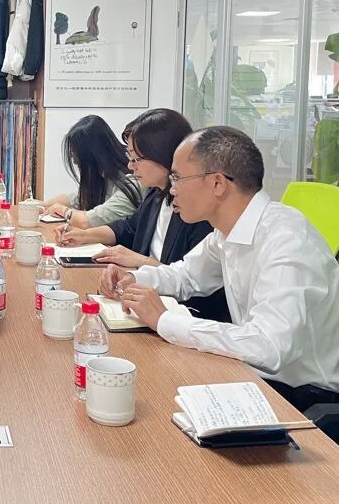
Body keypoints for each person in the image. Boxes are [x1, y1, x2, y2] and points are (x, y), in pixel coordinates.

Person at [102, 126, 339, 412]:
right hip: (256, 377)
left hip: (305, 398)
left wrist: (165, 320)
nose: (172, 189)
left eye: (178, 178)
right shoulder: (227, 232)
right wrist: (134, 278)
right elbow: (186, 276)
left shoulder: (287, 240)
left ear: (217, 183)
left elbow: (268, 347)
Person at [56, 109, 229, 321]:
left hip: (182, 315)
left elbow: (192, 283)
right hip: (149, 304)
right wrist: (84, 235)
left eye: (136, 159)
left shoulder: (197, 212)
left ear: (164, 156)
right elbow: (128, 227)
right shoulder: (156, 196)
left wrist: (139, 262)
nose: (130, 166)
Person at [37, 115, 144, 228]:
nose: (77, 166)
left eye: (78, 161)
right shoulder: (104, 175)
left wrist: (64, 211)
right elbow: (78, 198)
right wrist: (41, 205)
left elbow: (91, 220)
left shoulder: (132, 181)